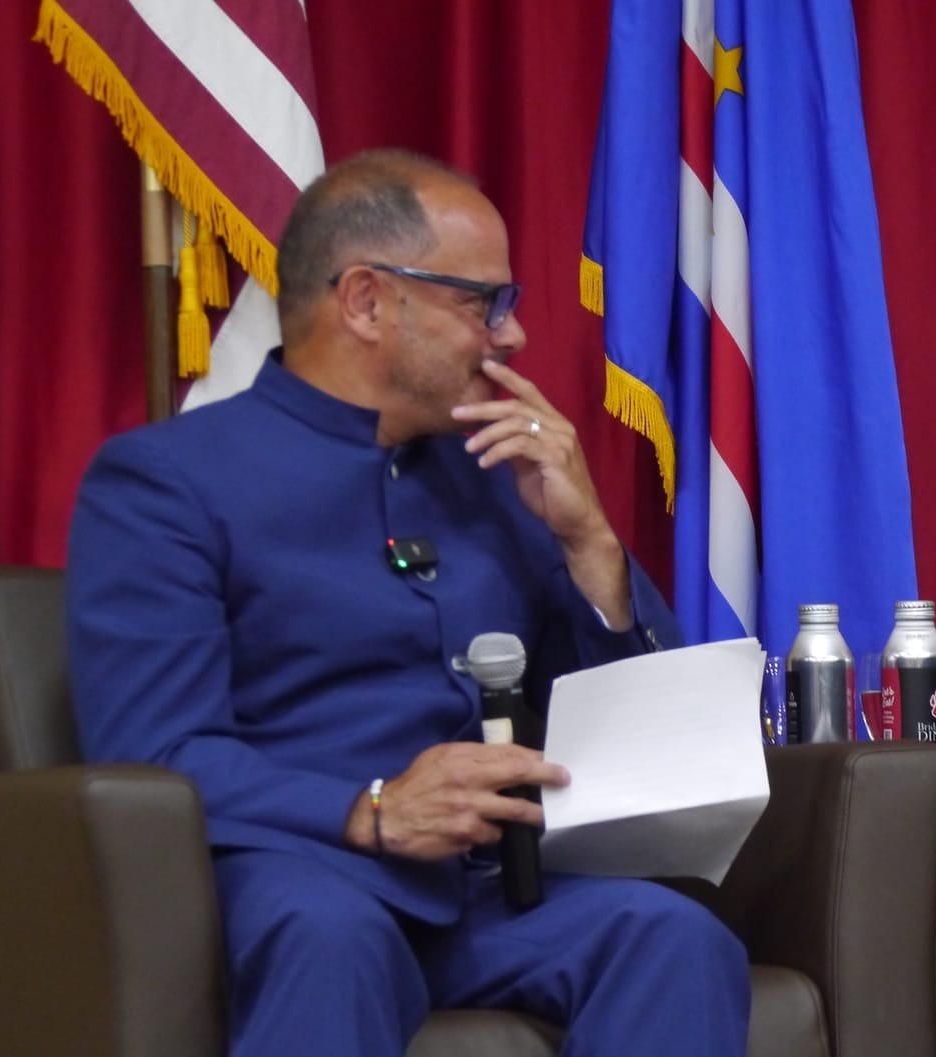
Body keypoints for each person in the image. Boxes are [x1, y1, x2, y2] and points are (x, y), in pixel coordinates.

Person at [67, 150, 748, 1057]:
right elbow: (154, 752)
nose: (512, 339)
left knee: (673, 937)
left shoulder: (495, 480)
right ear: (366, 301)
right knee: (330, 937)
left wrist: (588, 540)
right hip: (294, 879)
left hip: (482, 892)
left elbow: (634, 736)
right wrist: (371, 806)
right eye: (483, 304)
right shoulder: (166, 483)